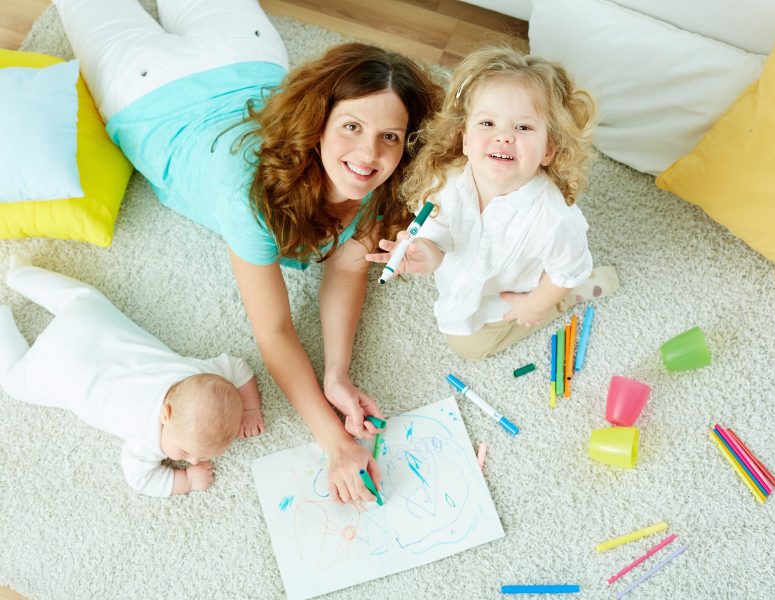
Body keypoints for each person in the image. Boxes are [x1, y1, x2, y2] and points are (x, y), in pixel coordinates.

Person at [53, 0, 442, 504]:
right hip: (148, 92)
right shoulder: (251, 195)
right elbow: (275, 331)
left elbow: (348, 267)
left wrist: (337, 373)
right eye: (351, 126)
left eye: (389, 137)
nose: (368, 155)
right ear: (319, 121)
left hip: (245, 57)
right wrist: (334, 442)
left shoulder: (385, 185)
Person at [367, 46, 619, 361]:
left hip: (508, 295)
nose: (503, 137)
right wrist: (424, 255)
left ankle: (569, 299)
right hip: (464, 282)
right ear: (465, 139)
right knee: (458, 323)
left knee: (470, 348)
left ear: (548, 150)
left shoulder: (555, 220)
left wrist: (534, 305)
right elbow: (439, 244)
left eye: (523, 127)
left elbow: (566, 269)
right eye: (487, 123)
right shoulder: (445, 180)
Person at [0, 256, 261, 497]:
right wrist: (187, 481)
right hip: (60, 366)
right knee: (14, 380)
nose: (192, 461)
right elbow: (140, 478)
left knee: (80, 297)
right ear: (165, 414)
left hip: (87, 321)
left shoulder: (202, 375)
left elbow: (238, 367)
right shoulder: (149, 438)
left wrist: (249, 408)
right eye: (185, 452)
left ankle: (21, 274)